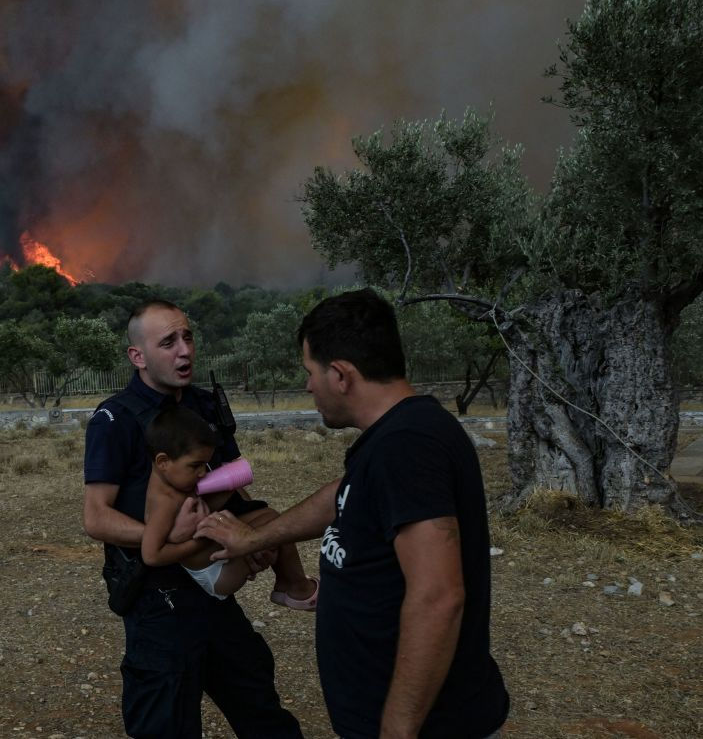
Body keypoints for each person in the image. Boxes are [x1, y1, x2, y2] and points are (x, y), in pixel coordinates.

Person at [196, 289, 510, 739]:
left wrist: (398, 730)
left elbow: (439, 597)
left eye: (310, 372)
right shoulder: (394, 437)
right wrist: (253, 539)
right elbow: (341, 496)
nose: (307, 386)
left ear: (341, 375)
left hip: (433, 725)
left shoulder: (407, 447)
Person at [82, 300, 307, 739]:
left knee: (259, 706)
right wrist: (166, 536)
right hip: (158, 600)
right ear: (138, 356)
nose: (184, 351)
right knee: (166, 721)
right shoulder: (116, 419)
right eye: (168, 342)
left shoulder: (205, 407)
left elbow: (228, 485)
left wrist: (251, 541)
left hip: (215, 588)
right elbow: (96, 518)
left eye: (187, 337)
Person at [141, 402, 318, 604]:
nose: (202, 472)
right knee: (272, 525)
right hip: (216, 574)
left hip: (215, 557)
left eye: (205, 464)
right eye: (195, 465)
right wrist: (201, 541)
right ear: (163, 462)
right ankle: (296, 587)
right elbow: (151, 556)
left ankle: (286, 582)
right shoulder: (164, 502)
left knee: (270, 518)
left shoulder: (174, 480)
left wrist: (231, 482)